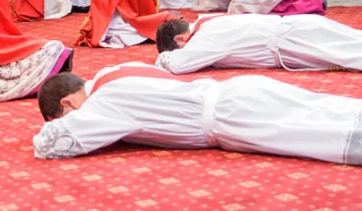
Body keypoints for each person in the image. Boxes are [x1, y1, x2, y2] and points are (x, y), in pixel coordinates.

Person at [33, 62, 362, 165]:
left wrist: (57, 126)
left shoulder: (104, 100)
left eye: (65, 115)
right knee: (326, 108)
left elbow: (51, 144)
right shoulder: (114, 72)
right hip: (239, 89)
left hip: (231, 117)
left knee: (321, 135)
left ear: (67, 104)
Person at [154, 13, 362, 74]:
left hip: (295, 40)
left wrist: (161, 58)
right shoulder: (208, 21)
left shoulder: (205, 36)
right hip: (297, 29)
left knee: (356, 53)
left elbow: (180, 65)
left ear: (179, 40)